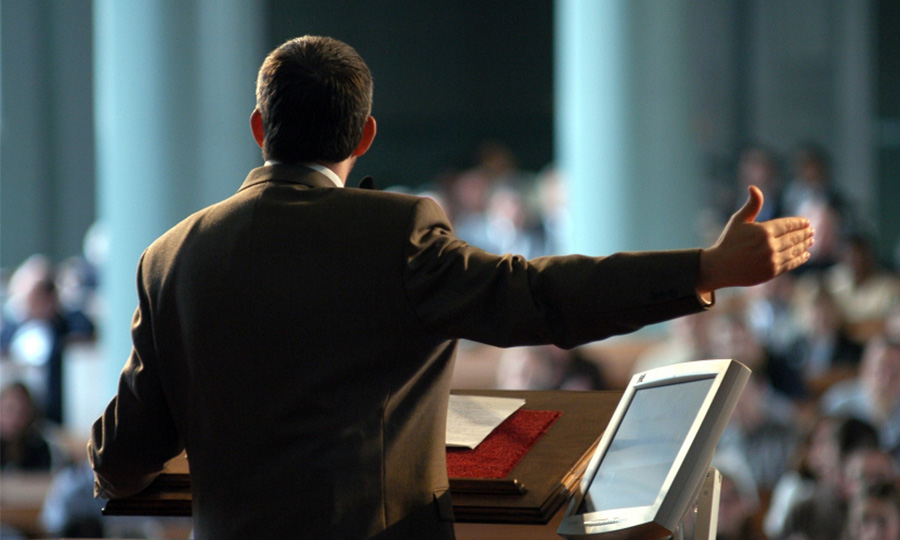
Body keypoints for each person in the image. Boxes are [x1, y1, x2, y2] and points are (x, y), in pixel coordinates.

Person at [86, 35, 815, 540]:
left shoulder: (169, 257)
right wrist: (703, 269)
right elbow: (542, 297)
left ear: (258, 128)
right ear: (365, 136)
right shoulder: (396, 231)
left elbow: (122, 458)